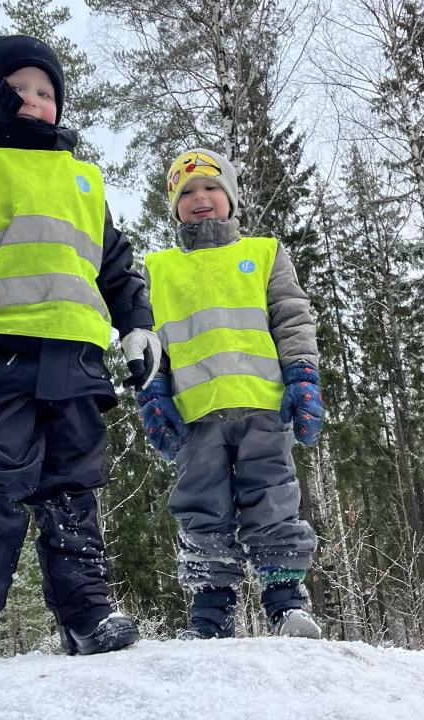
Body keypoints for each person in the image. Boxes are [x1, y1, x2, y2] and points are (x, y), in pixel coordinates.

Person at [0, 34, 161, 664]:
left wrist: (137, 323)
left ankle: (87, 615)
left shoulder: (83, 179)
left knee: (73, 489)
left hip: (76, 357)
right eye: (24, 89)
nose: (39, 102)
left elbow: (116, 265)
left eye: (49, 92)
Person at [136, 148, 324, 640]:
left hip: (264, 409)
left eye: (211, 188)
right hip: (195, 415)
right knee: (203, 508)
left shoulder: (263, 254)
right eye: (187, 192)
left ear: (231, 197)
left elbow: (292, 315)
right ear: (174, 205)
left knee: (273, 501)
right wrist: (153, 393)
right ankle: (209, 616)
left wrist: (303, 376)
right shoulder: (158, 269)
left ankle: (286, 605)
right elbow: (146, 339)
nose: (200, 199)